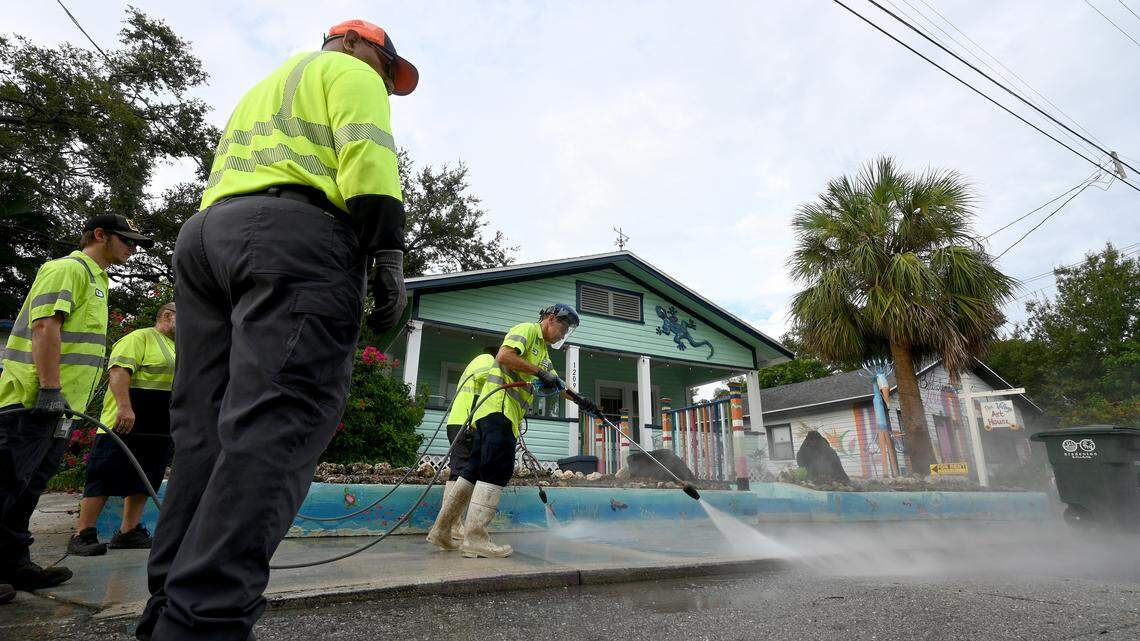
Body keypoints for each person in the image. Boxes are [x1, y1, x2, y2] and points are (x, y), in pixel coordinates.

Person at [136, 18, 416, 640]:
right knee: (278, 422)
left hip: (208, 240)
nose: (386, 84)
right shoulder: (349, 71)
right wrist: (389, 254)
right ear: (354, 43)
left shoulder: (262, 89)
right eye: (386, 68)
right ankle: (204, 623)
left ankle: (166, 610)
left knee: (205, 433)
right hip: (294, 241)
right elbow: (368, 157)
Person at [0, 215, 151, 598]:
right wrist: (50, 389)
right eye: (128, 241)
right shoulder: (68, 269)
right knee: (5, 484)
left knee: (29, 488)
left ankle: (13, 564)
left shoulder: (98, 281)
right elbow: (45, 327)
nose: (134, 249)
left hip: (60, 409)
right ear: (100, 235)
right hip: (31, 401)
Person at [429, 304, 599, 558]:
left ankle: (442, 529)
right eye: (563, 329)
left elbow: (557, 384)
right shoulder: (527, 330)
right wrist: (538, 372)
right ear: (551, 319)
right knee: (497, 469)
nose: (563, 336)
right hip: (499, 410)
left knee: (472, 470)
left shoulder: (541, 352)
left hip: (494, 414)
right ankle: (475, 538)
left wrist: (580, 400)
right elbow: (504, 356)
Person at [68, 303, 177, 556]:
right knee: (104, 473)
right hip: (126, 420)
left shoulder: (178, 346)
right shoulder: (138, 338)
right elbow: (119, 371)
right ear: (168, 316)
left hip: (158, 424)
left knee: (147, 476)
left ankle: (129, 531)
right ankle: (83, 533)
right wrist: (124, 407)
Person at [425, 346, 497, 549]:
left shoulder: (476, 362)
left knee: (462, 471)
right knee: (461, 472)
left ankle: (452, 526)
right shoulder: (486, 359)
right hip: (467, 423)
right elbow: (487, 379)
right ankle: (452, 526)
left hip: (461, 422)